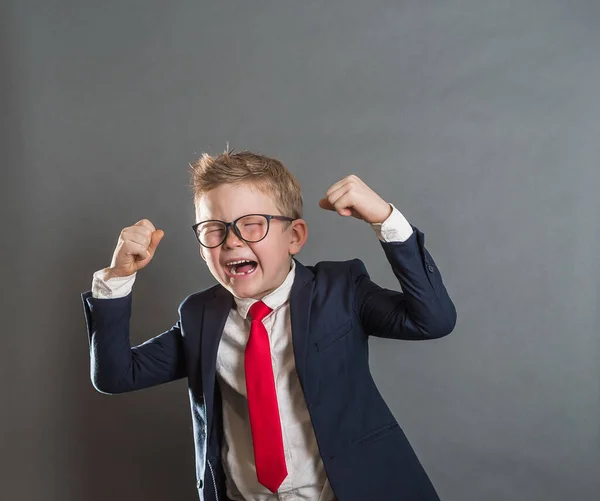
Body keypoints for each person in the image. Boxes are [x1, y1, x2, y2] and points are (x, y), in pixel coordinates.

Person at [81, 150, 457, 501]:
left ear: (294, 237)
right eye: (214, 228)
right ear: (202, 246)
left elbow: (432, 319)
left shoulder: (340, 290)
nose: (232, 241)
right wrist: (117, 277)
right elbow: (116, 375)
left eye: (252, 224)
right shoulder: (200, 316)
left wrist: (385, 219)